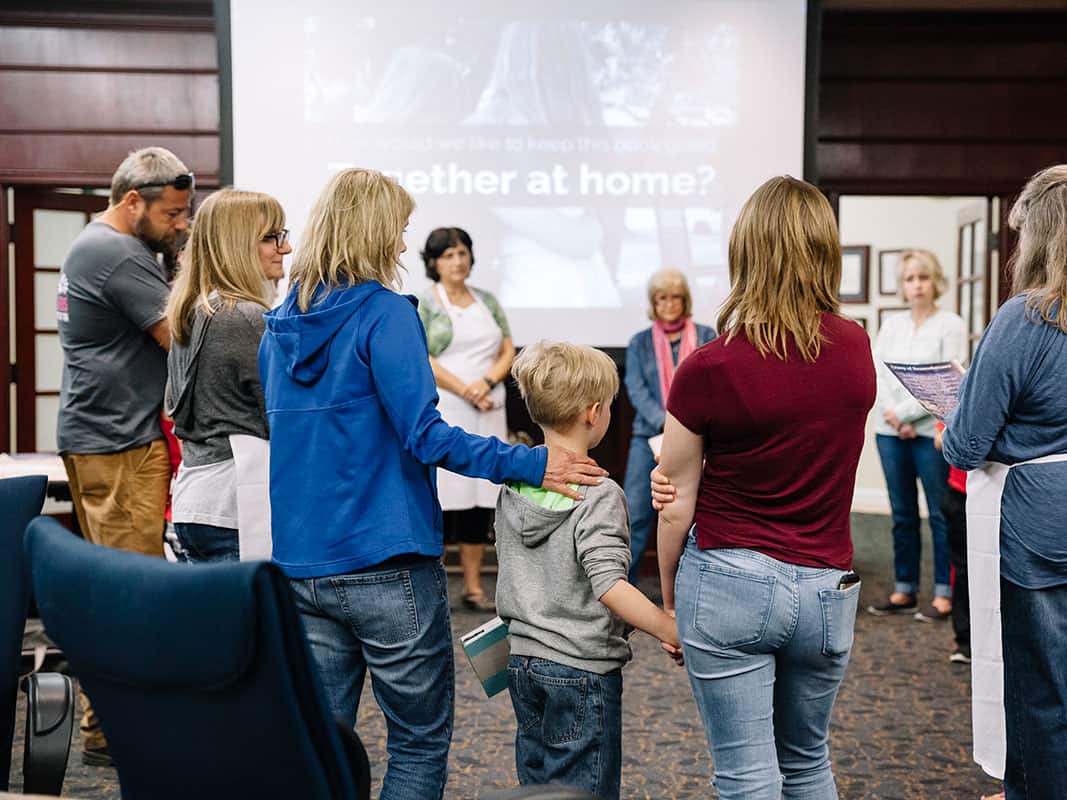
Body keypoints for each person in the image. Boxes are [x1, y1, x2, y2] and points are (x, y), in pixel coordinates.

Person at [257, 168, 606, 800]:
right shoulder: (387, 315)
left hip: (301, 568)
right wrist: (530, 463)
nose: (399, 246)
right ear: (371, 232)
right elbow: (426, 436)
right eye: (396, 231)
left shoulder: (278, 328)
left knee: (320, 749)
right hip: (387, 564)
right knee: (416, 746)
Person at [653, 176, 876, 799]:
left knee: (748, 775)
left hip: (729, 585)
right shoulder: (856, 348)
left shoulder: (710, 366)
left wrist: (670, 600)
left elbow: (675, 504)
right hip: (828, 592)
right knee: (807, 764)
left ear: (744, 253)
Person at [497, 340, 682, 800]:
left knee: (539, 788)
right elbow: (609, 586)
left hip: (521, 663)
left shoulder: (512, 487)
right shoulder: (599, 495)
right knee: (584, 791)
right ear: (593, 412)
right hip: (579, 670)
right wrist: (668, 626)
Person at [55, 146, 192, 767]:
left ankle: (113, 727)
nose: (181, 225)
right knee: (127, 595)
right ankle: (111, 732)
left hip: (112, 437)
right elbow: (182, 339)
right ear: (132, 201)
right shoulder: (116, 254)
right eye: (172, 215)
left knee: (124, 590)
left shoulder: (112, 246)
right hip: (116, 445)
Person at [942, 164, 1067, 799]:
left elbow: (965, 444)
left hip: (1039, 519)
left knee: (1039, 680)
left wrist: (953, 420)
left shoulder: (1025, 318)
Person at [165, 190, 291, 562]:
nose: (285, 248)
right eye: (271, 238)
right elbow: (282, 415)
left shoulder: (195, 309)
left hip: (199, 499)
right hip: (234, 506)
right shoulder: (243, 316)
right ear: (236, 245)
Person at [867, 249, 966, 621]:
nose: (917, 285)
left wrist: (909, 415)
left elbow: (947, 380)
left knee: (940, 513)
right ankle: (904, 588)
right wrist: (894, 418)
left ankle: (944, 593)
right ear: (903, 285)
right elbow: (879, 373)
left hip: (929, 432)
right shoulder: (891, 325)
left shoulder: (951, 324)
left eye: (923, 277)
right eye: (910, 278)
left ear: (934, 281)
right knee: (902, 513)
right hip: (889, 431)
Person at [417, 227, 512, 611]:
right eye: (449, 255)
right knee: (444, 496)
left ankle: (473, 588)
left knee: (480, 499)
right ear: (434, 262)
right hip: (448, 406)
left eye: (462, 253)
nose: (458, 261)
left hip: (489, 407)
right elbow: (422, 356)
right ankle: (434, 584)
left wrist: (486, 383)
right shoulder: (425, 303)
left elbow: (507, 347)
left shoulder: (487, 300)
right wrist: (464, 388)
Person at [623, 268, 715, 583]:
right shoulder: (638, 342)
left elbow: (712, 385)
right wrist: (673, 427)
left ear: (685, 299)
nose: (670, 304)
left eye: (675, 297)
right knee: (634, 516)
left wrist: (685, 430)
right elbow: (636, 389)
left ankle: (690, 589)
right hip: (648, 439)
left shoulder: (707, 337)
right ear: (654, 302)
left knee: (697, 516)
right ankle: (625, 595)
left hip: (699, 440)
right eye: (662, 298)